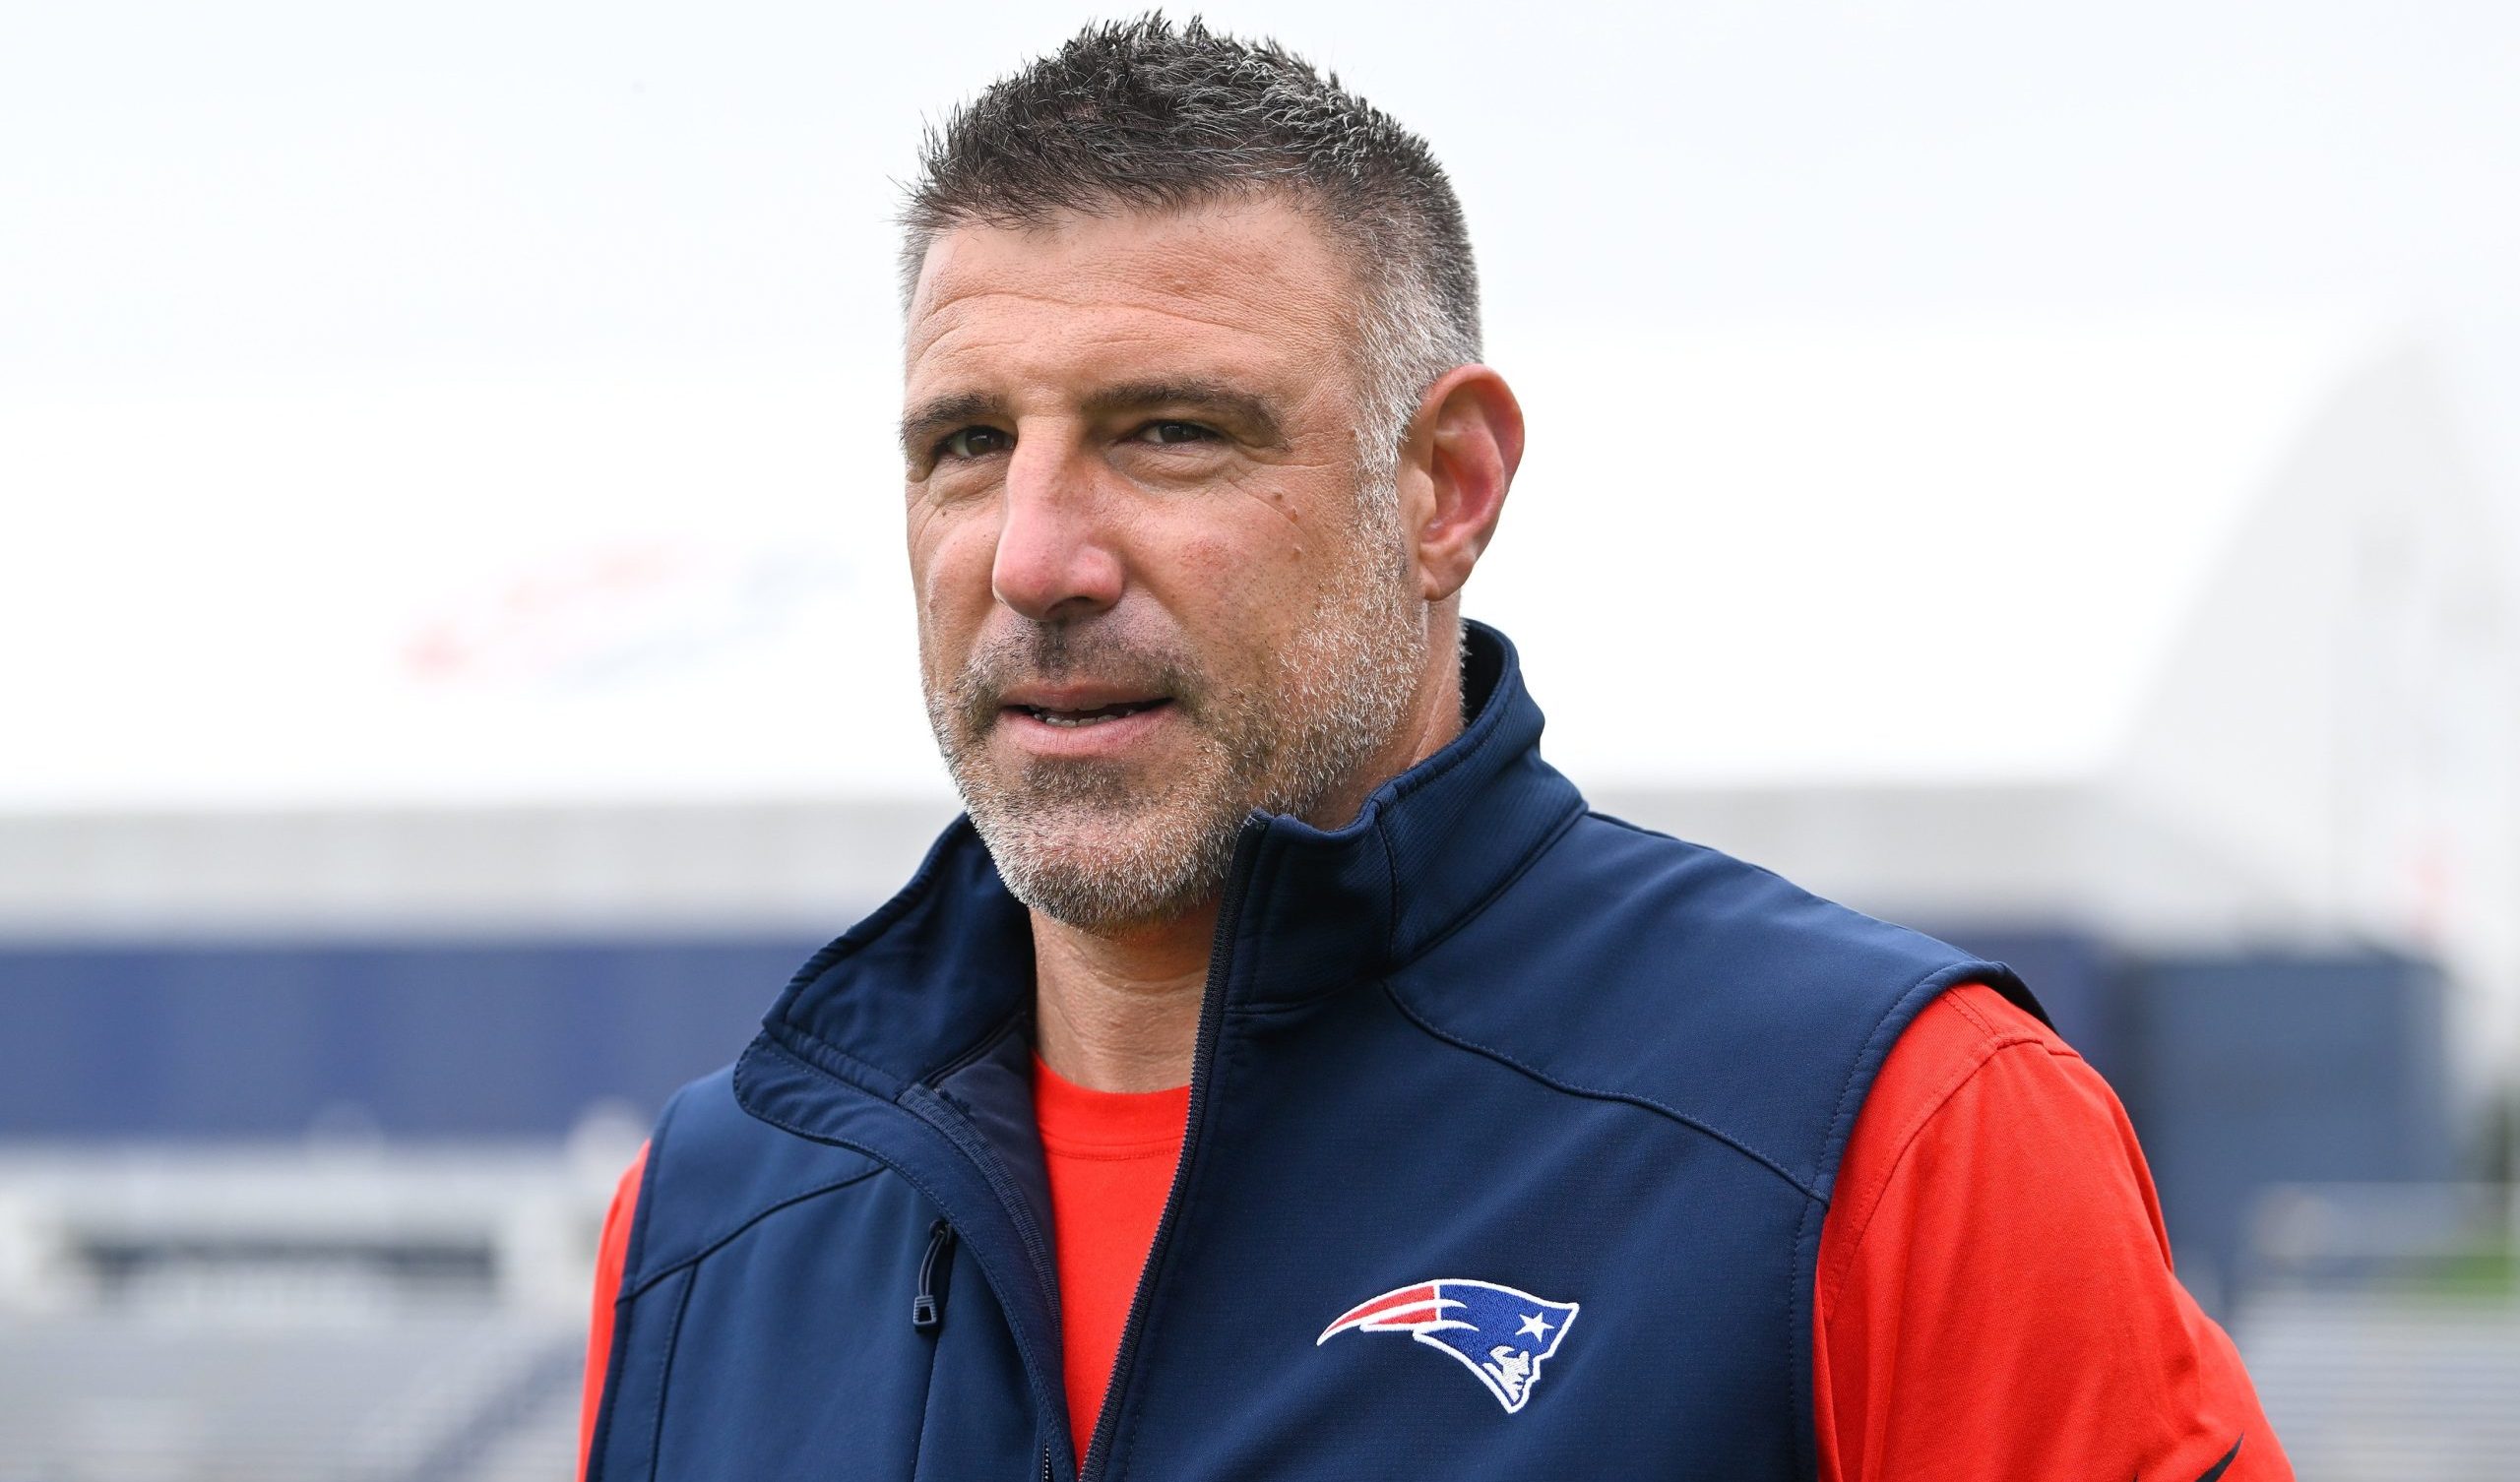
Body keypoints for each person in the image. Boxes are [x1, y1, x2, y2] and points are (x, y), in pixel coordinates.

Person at [576, 18, 2289, 1481]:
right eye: (965, 443)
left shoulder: (1893, 1138)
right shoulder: (711, 1222)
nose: (1033, 557)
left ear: (1445, 488)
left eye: (1168, 431)